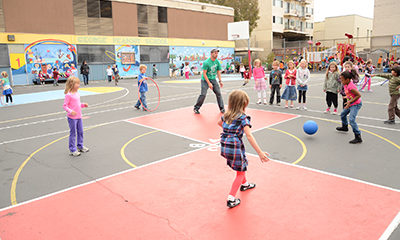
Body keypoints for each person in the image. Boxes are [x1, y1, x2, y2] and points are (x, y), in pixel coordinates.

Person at [218, 90, 269, 208]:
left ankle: (245, 184)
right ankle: (231, 198)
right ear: (244, 104)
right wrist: (260, 153)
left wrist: (229, 131)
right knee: (240, 172)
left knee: (241, 166)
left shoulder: (226, 115)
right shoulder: (243, 118)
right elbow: (249, 136)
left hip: (225, 145)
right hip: (235, 147)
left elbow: (219, 123)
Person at [63, 77, 89, 156]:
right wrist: (71, 111)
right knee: (73, 133)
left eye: (79, 83)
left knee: (80, 132)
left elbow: (77, 105)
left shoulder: (77, 93)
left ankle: (80, 146)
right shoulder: (68, 95)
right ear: (72, 84)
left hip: (79, 117)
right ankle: (72, 149)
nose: (79, 85)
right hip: (72, 118)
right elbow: (65, 106)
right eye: (77, 83)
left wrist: (83, 105)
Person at [193, 49, 225, 114]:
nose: (216, 54)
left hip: (213, 79)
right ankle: (196, 108)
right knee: (203, 94)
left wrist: (220, 81)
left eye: (217, 53)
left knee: (218, 93)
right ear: (211, 53)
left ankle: (222, 108)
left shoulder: (217, 62)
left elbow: (218, 72)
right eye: (215, 53)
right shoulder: (206, 62)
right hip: (205, 80)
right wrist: (209, 83)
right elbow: (204, 74)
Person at [336, 71, 363, 144]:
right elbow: (350, 94)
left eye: (342, 80)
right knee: (343, 114)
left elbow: (358, 95)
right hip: (350, 103)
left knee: (351, 119)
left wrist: (349, 102)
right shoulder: (345, 85)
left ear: (347, 80)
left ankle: (358, 136)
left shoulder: (351, 86)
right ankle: (345, 127)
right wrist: (347, 97)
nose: (341, 81)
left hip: (356, 104)